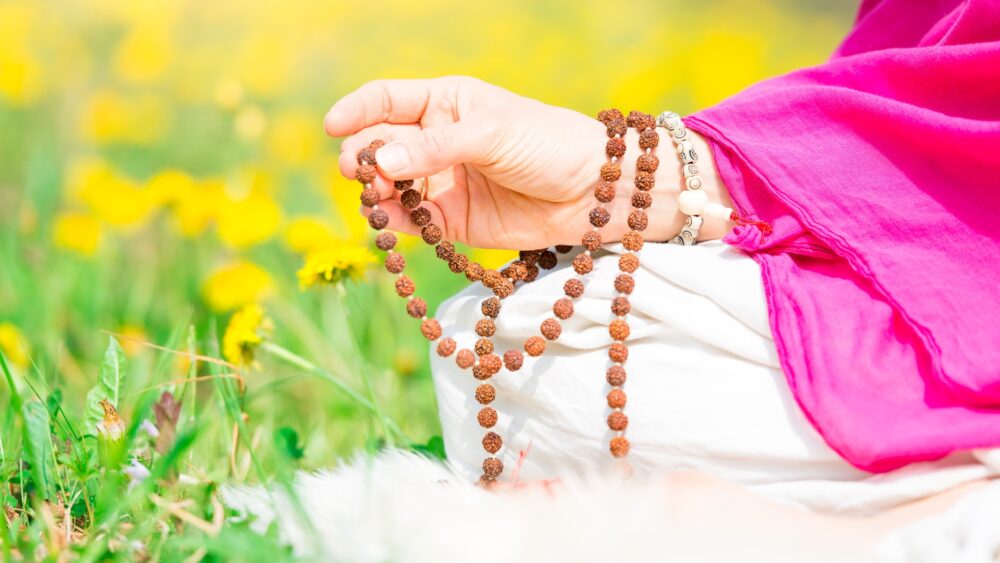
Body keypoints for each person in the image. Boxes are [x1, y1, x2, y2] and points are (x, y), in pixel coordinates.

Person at [323, 0, 1000, 515]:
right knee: (510, 333)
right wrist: (622, 179)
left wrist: (633, 174)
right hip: (932, 249)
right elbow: (920, 95)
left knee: (588, 368)